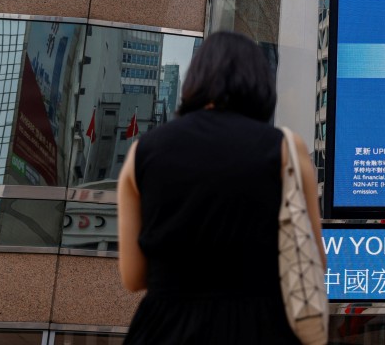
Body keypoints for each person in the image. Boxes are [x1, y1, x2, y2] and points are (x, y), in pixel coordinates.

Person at [117, 31, 325, 344]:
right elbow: (315, 259)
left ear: (194, 80)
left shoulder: (141, 153)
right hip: (261, 327)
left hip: (163, 329)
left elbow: (133, 277)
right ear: (261, 83)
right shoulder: (287, 150)